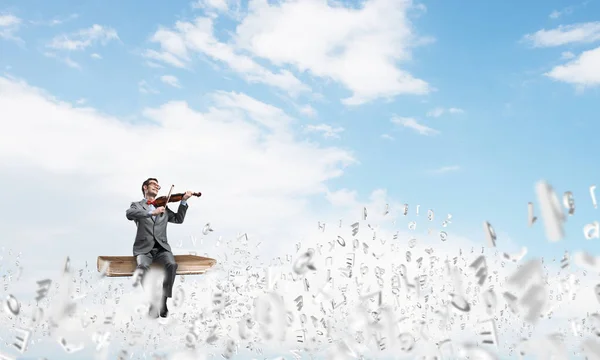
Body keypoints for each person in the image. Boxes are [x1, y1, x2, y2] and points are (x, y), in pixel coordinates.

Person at [125, 177, 192, 318]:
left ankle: (162, 300)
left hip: (162, 248)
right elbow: (129, 214)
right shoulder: (137, 206)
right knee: (142, 268)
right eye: (154, 184)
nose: (157, 187)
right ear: (145, 187)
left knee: (172, 265)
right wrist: (151, 213)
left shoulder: (164, 207)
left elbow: (179, 219)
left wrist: (184, 201)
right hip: (144, 248)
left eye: (158, 186)